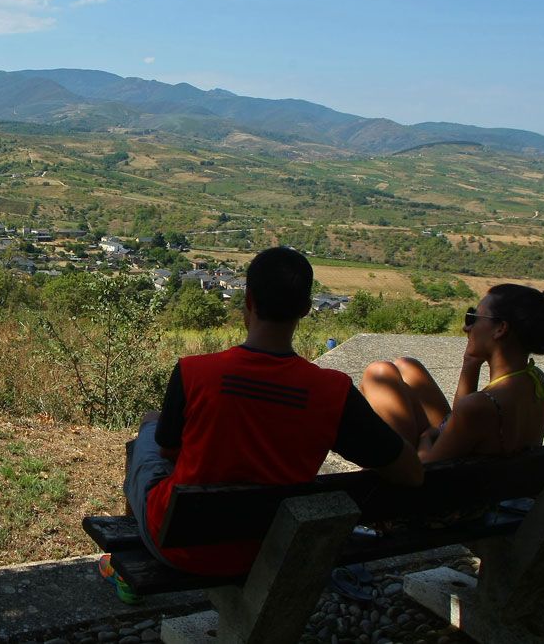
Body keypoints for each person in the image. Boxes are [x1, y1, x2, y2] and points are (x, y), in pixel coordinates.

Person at [106, 247, 423, 594]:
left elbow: (169, 453)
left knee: (150, 428)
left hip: (179, 548)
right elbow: (410, 472)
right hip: (274, 547)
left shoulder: (194, 373)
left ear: (249, 300)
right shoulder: (332, 393)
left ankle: (123, 564)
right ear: (305, 308)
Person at [360, 285, 544, 463]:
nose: (467, 328)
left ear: (500, 329)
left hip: (446, 506)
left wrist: (426, 439)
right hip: (487, 486)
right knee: (406, 366)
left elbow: (424, 472)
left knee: (377, 374)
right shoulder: (536, 380)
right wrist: (470, 363)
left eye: (473, 318)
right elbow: (464, 424)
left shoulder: (482, 405)